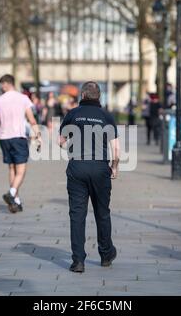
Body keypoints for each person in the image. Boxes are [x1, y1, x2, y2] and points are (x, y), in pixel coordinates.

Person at [59, 81, 119, 273]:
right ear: (99, 96)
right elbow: (116, 150)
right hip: (100, 168)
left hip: (77, 166)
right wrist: (114, 168)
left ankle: (78, 261)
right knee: (102, 212)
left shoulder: (73, 114)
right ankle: (106, 254)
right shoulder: (106, 116)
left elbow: (60, 142)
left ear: (82, 95)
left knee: (77, 215)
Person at [0, 74, 41, 213]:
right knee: (21, 171)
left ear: (6, 84)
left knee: (11, 169)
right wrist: (38, 135)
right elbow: (32, 120)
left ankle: (15, 201)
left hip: (4, 138)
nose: (1, 87)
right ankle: (11, 193)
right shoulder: (23, 98)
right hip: (18, 137)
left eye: (2, 84)